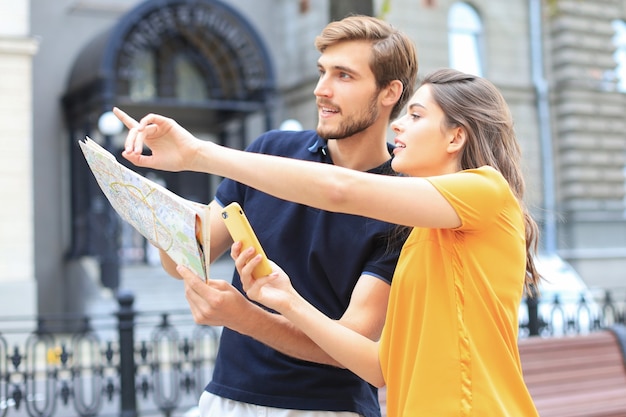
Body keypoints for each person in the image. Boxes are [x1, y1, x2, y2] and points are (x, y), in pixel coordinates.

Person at [117, 68, 542, 416]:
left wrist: (199, 155)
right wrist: (286, 300)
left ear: (455, 137)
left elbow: (341, 190)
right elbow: (379, 367)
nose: (398, 123)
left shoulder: (487, 191)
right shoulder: (422, 237)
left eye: (415, 115)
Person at [115, 14, 418, 417]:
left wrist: (245, 318)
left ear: (389, 93)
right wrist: (144, 198)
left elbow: (354, 347)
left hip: (325, 409)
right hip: (223, 398)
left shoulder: (406, 200)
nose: (321, 90)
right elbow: (194, 252)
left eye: (343, 76)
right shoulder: (270, 148)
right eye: (322, 72)